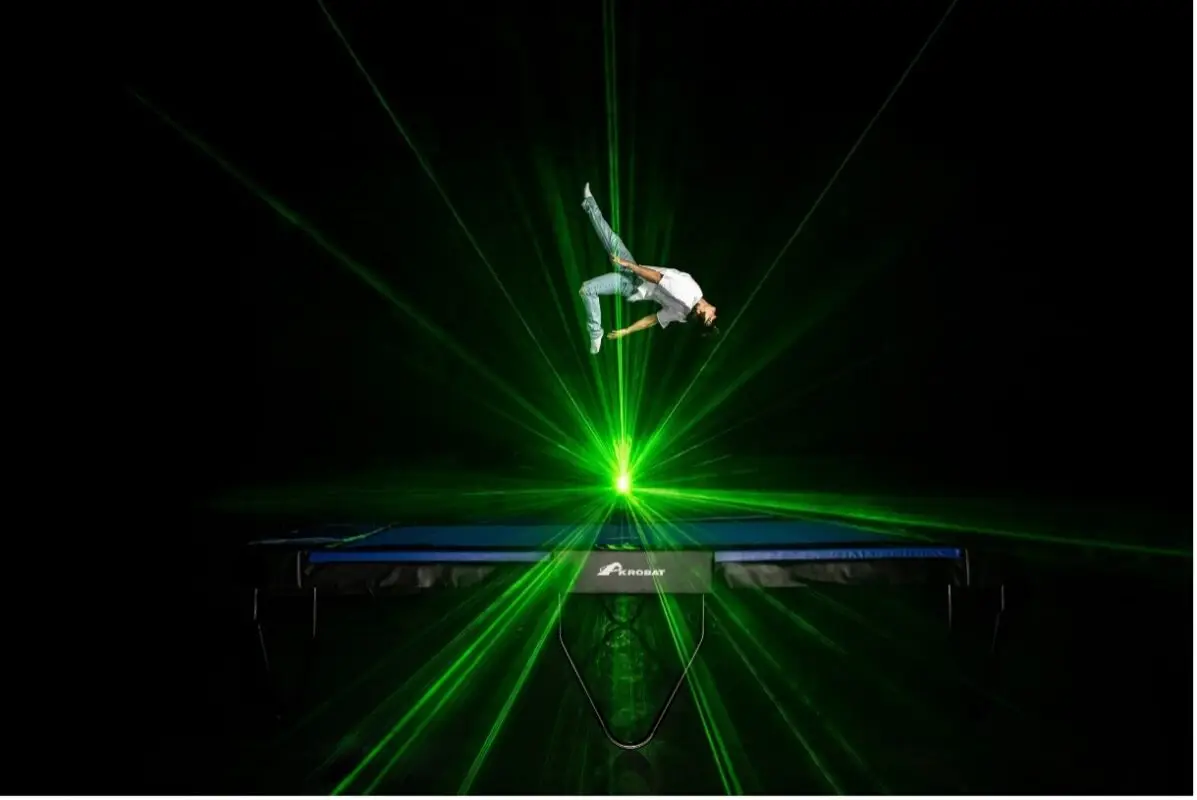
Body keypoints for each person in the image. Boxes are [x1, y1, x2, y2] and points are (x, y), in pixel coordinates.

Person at [578, 183, 717, 354]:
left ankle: (595, 333)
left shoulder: (687, 300)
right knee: (611, 240)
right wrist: (628, 331)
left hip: (633, 282)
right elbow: (653, 315)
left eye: (706, 318)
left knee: (588, 289)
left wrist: (627, 264)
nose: (708, 313)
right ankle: (589, 201)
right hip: (637, 275)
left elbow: (656, 282)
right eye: (709, 317)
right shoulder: (687, 305)